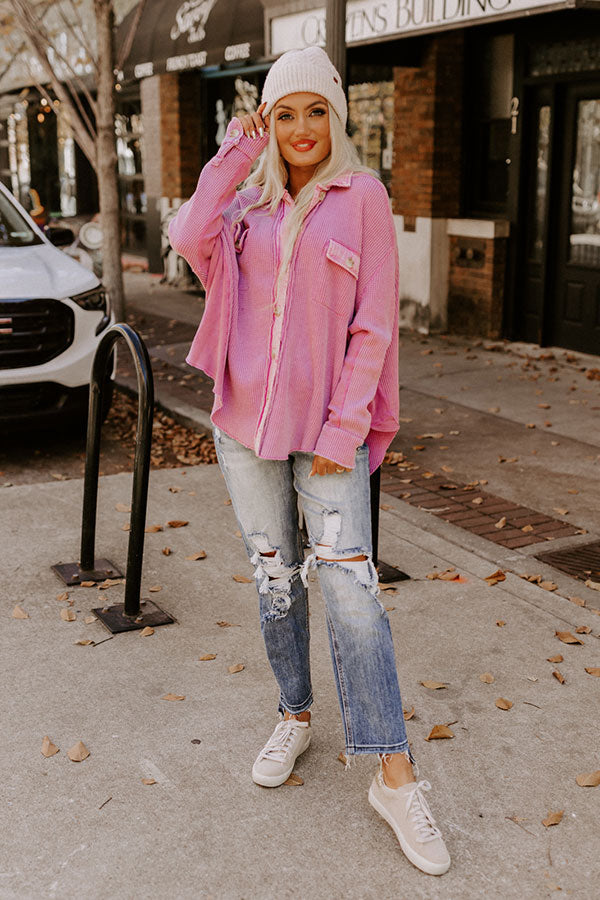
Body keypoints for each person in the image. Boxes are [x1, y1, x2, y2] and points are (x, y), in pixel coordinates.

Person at [168, 46, 450, 877]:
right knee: (274, 579)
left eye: (315, 111)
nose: (300, 128)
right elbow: (186, 235)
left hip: (330, 437)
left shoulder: (363, 198)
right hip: (245, 430)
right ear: (270, 122)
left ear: (337, 117)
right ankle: (294, 714)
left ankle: (394, 775)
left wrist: (344, 430)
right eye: (284, 113)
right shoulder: (246, 204)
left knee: (352, 593)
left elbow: (374, 327)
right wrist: (237, 150)